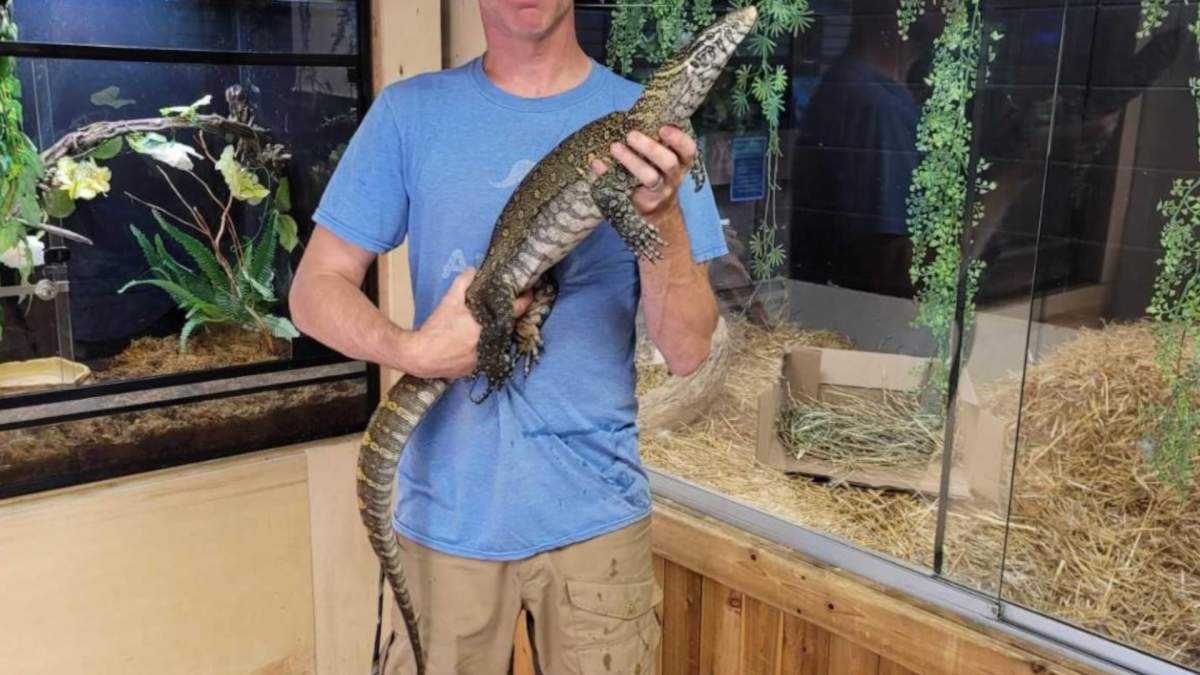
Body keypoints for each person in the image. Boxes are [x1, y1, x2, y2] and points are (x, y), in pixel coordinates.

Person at [287, 1, 726, 673]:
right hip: (445, 528)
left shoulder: (651, 135)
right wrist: (413, 351)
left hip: (597, 526)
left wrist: (661, 211)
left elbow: (689, 350)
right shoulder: (410, 112)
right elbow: (313, 291)